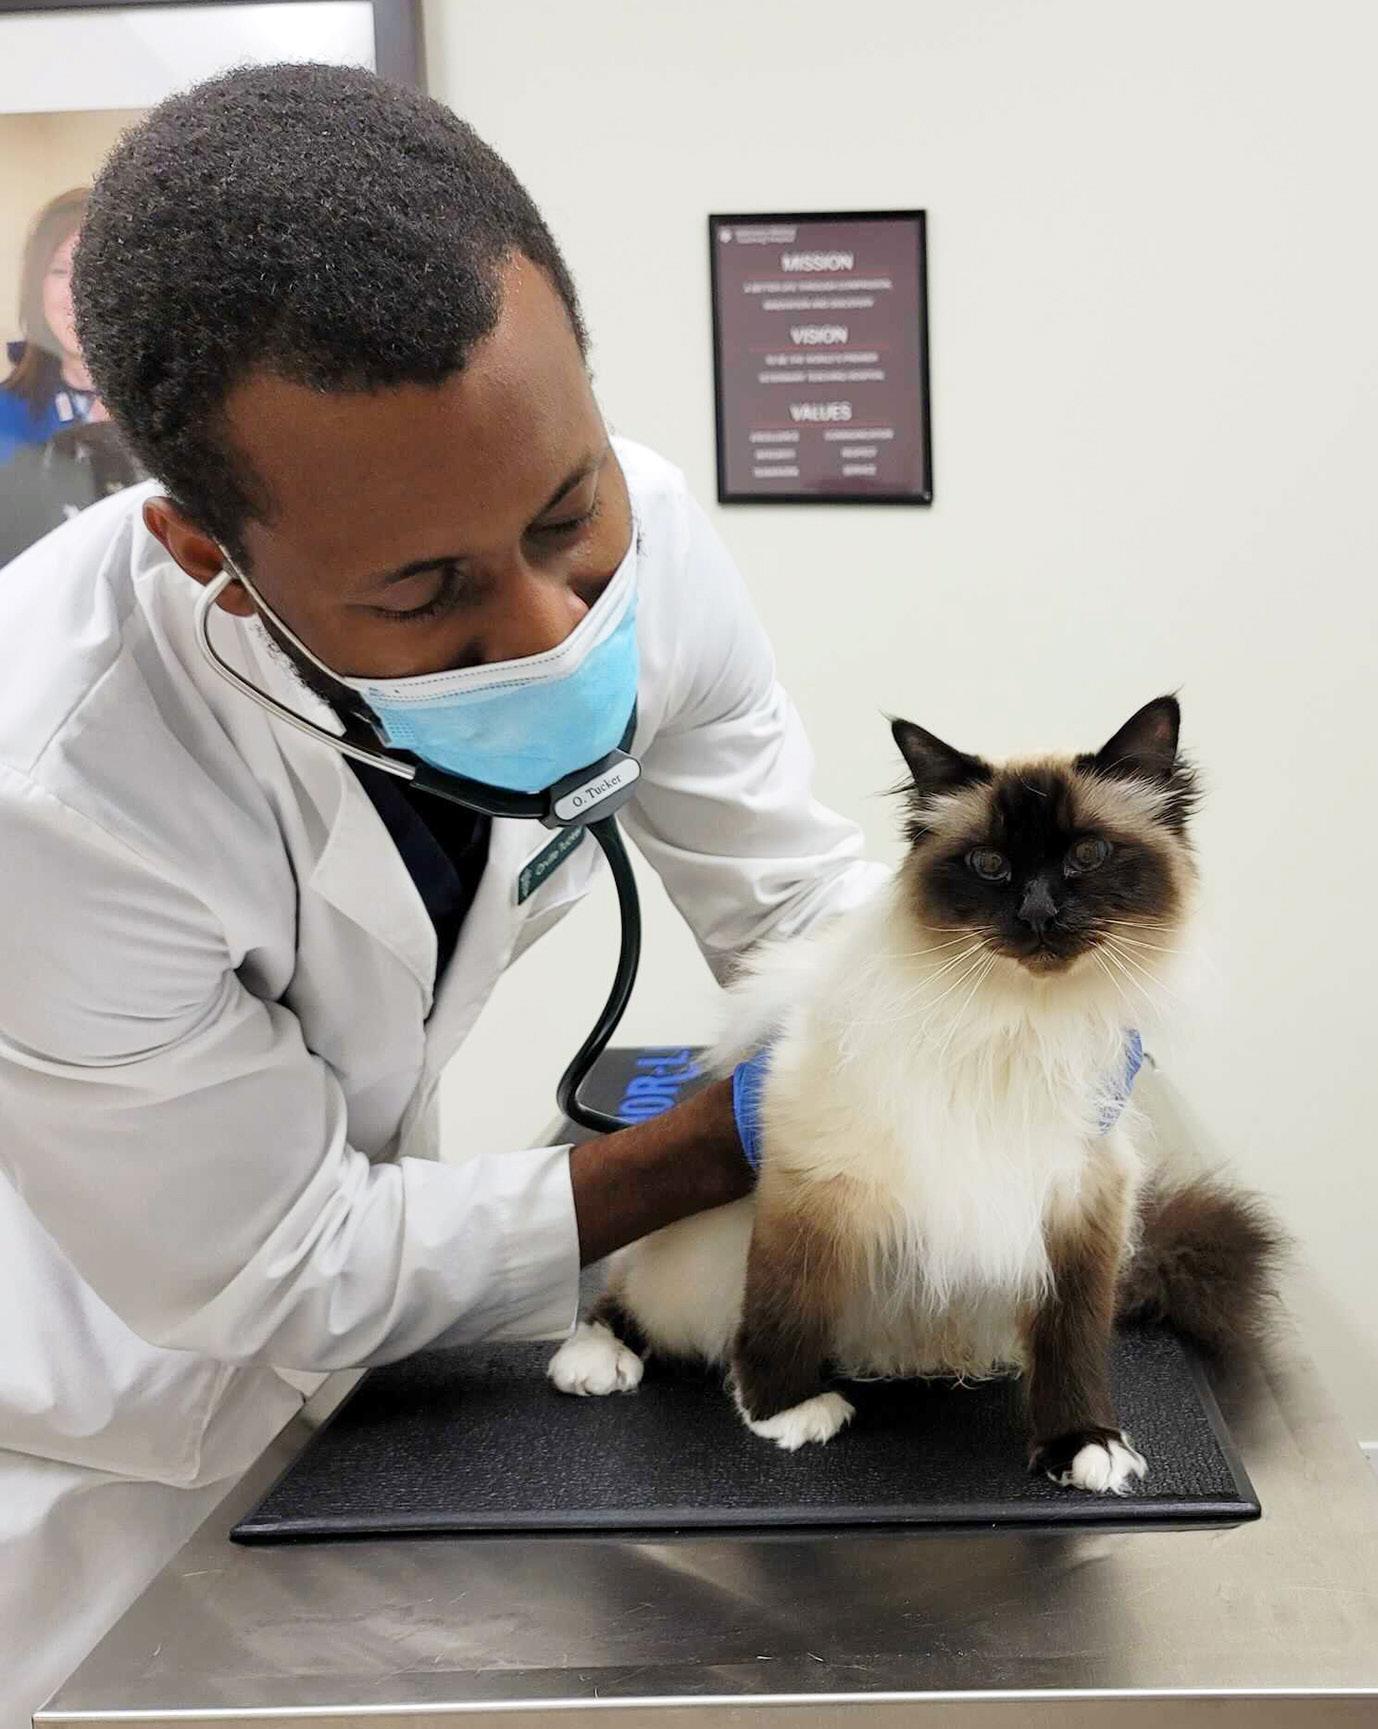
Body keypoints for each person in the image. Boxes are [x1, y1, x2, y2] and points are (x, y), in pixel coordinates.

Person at [0, 62, 886, 1725]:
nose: (552, 627)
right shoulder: (51, 790)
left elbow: (792, 903)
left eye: (566, 514)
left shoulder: (651, 547)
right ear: (210, 557)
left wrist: (947, 1013)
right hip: (99, 1443)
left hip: (365, 1374)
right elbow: (273, 1263)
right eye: (424, 591)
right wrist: (720, 1139)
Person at [0, 188, 144, 563]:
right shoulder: (5, 418)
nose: (77, 293)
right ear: (36, 287)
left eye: (97, 267)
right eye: (60, 271)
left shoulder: (181, 408)